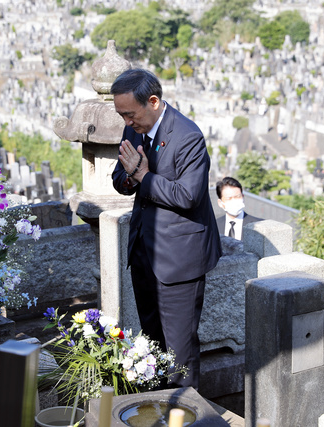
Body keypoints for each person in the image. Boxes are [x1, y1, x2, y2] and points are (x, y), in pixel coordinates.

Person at [111, 68, 222, 389]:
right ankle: (159, 405)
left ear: (153, 101)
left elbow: (188, 196)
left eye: (130, 114)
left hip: (179, 259)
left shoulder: (187, 136)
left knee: (179, 352)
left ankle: (184, 411)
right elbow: (120, 178)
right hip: (143, 252)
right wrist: (131, 177)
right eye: (121, 115)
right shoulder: (133, 128)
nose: (126, 122)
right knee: (152, 346)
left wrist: (143, 176)